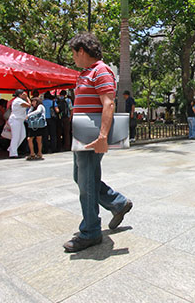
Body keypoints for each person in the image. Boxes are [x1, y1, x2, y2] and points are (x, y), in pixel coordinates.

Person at [63, 32, 132, 253]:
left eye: (74, 53)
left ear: (81, 51)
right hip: (82, 135)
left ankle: (91, 231)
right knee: (82, 178)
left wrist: (103, 136)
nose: (73, 58)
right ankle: (118, 203)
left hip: (92, 136)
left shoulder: (100, 70)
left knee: (87, 183)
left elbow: (108, 103)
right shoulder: (86, 73)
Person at [8, 89, 30, 158]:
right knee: (16, 136)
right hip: (15, 120)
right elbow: (29, 105)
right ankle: (13, 153)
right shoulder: (18, 101)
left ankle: (12, 148)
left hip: (20, 120)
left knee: (23, 135)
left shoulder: (19, 100)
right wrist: (27, 98)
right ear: (20, 95)